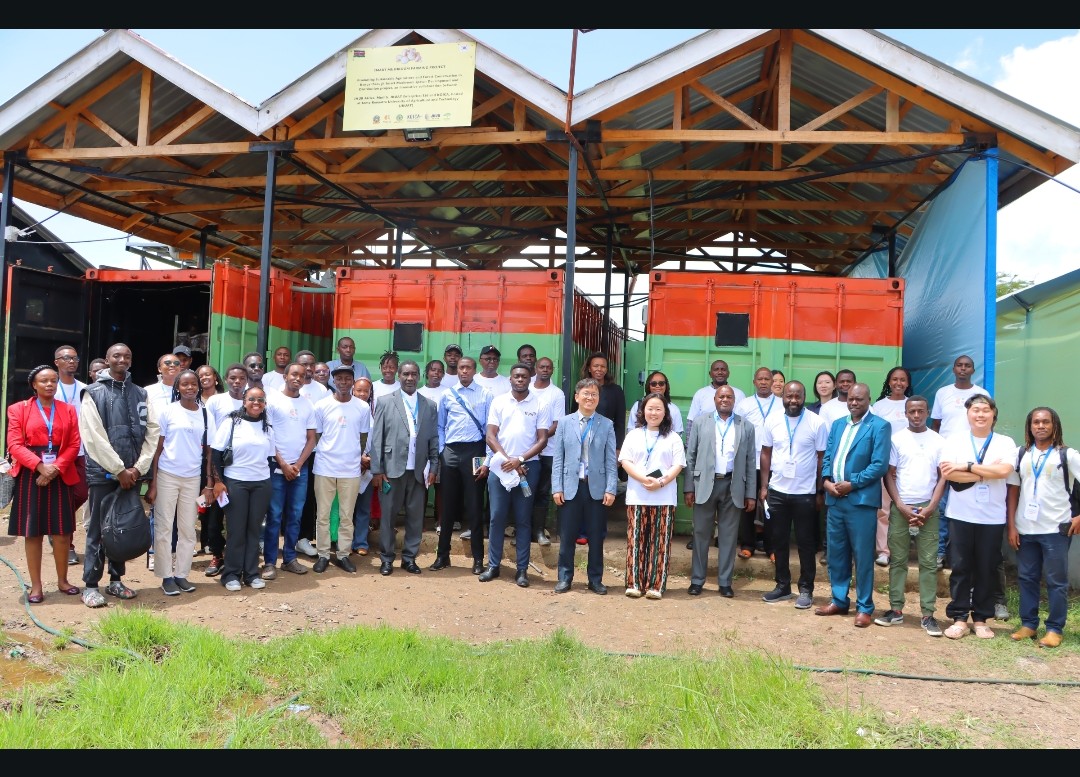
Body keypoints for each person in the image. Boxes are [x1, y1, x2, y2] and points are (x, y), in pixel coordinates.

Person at [79, 343, 160, 608]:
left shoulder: (140, 393)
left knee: (121, 528)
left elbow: (152, 432)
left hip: (132, 474)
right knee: (97, 528)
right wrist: (119, 469)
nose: (122, 359)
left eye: (127, 355)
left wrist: (138, 468)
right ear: (107, 359)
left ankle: (116, 580)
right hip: (103, 473)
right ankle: (91, 586)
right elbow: (93, 436)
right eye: (116, 355)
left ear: (131, 360)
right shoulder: (93, 393)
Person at [938, 394, 1016, 640]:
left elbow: (1004, 471)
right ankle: (960, 617)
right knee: (960, 567)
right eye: (975, 410)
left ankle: (981, 618)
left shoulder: (1005, 442)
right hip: (960, 514)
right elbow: (949, 474)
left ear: (993, 414)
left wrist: (968, 467)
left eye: (985, 410)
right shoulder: (955, 440)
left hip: (992, 517)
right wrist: (986, 472)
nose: (980, 414)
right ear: (968, 414)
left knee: (986, 568)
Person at [817, 382, 891, 627]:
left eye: (859, 399)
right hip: (835, 500)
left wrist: (852, 483)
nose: (854, 403)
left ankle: (864, 607)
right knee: (837, 554)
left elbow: (879, 465)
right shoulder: (838, 424)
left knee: (862, 556)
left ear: (869, 400)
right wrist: (826, 481)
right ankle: (839, 600)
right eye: (850, 399)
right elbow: (828, 456)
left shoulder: (879, 426)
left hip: (860, 501)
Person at [6, 365, 82, 603]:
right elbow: (14, 444)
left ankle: (63, 581)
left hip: (60, 471)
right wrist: (40, 466)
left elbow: (74, 444)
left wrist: (54, 469)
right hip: (30, 474)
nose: (49, 385)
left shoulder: (68, 410)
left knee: (62, 532)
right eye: (44, 381)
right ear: (34, 385)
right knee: (33, 532)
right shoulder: (18, 409)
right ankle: (36, 587)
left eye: (53, 381)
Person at [1007, 407, 1080, 648]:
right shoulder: (1021, 454)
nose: (1040, 426)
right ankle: (1028, 625)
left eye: (1046, 422)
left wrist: (1079, 516)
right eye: (1036, 422)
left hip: (1056, 529)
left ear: (1054, 425)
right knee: (1027, 578)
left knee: (1056, 581)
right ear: (1029, 426)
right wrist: (1011, 526)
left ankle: (1054, 629)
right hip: (1025, 528)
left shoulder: (1067, 455)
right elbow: (1013, 490)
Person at [877, 395, 947, 636]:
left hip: (928, 508)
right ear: (905, 413)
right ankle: (896, 610)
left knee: (928, 563)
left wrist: (931, 507)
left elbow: (943, 477)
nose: (916, 415)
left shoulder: (938, 440)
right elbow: (889, 474)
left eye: (920, 411)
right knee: (898, 561)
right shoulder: (896, 440)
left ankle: (928, 614)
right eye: (912, 411)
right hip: (901, 506)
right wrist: (900, 505)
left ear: (927, 412)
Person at [479, 363, 552, 587]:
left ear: (530, 379)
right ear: (510, 379)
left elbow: (542, 439)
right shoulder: (499, 401)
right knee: (496, 517)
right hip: (500, 467)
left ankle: (522, 570)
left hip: (528, 468)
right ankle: (493, 566)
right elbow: (490, 436)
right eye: (516, 376)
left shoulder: (540, 404)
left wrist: (519, 460)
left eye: (524, 376)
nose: (520, 379)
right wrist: (507, 460)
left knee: (523, 519)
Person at [758, 381, 828, 608]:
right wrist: (764, 486)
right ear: (783, 397)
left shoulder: (816, 422)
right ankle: (782, 586)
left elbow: (821, 458)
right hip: (777, 491)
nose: (793, 400)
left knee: (806, 543)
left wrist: (819, 491)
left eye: (798, 396)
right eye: (789, 396)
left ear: (804, 397)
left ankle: (806, 589)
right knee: (778, 541)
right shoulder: (772, 420)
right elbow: (766, 453)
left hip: (805, 494)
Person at [145, 369, 214, 596]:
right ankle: (166, 576)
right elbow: (157, 449)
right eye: (184, 384)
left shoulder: (205, 414)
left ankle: (181, 575)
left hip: (193, 478)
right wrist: (153, 483)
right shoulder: (168, 411)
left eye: (193, 384)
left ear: (199, 386)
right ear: (177, 387)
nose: (190, 387)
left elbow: (209, 452)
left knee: (187, 528)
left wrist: (209, 483)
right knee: (164, 527)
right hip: (167, 475)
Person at [684, 385, 756, 598]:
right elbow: (690, 456)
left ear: (734, 400)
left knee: (728, 536)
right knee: (700, 534)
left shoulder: (746, 426)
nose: (725, 399)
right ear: (715, 399)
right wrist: (689, 487)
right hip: (705, 484)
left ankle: (725, 582)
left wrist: (750, 493)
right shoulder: (700, 422)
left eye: (729, 396)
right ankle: (697, 580)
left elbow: (750, 461)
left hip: (733, 485)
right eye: (721, 396)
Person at [369, 360, 438, 576]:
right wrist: (377, 470)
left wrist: (434, 466)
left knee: (415, 518)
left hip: (418, 471)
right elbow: (377, 438)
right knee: (388, 517)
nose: (410, 378)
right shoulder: (385, 401)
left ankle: (409, 559)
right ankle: (387, 558)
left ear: (419, 377)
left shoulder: (429, 405)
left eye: (414, 374)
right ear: (399, 376)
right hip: (391, 470)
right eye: (406, 374)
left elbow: (433, 438)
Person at [551, 378, 617, 594]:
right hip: (570, 487)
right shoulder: (564, 423)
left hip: (596, 488)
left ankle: (595, 579)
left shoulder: (606, 424)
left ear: (598, 398)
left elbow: (610, 460)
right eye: (586, 393)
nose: (590, 397)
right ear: (577, 397)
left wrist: (611, 488)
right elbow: (558, 458)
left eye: (594, 394)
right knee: (567, 536)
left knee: (596, 537)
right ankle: (564, 578)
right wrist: (557, 487)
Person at [619, 392, 685, 600]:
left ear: (665, 413)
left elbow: (678, 465)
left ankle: (656, 585)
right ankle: (634, 583)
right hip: (637, 496)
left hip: (664, 497)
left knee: (660, 542)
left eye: (658, 409)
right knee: (636, 540)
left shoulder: (673, 437)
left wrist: (661, 482)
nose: (654, 413)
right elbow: (625, 461)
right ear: (643, 411)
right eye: (650, 408)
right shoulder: (634, 435)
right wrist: (643, 479)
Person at [210, 386, 275, 591]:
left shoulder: (267, 426)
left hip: (261, 484)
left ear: (265, 404)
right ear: (244, 401)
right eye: (252, 399)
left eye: (261, 400)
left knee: (254, 530)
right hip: (236, 482)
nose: (256, 403)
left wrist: (263, 478)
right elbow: (215, 453)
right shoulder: (231, 423)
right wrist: (218, 481)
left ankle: (251, 574)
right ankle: (231, 574)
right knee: (236, 531)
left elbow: (270, 457)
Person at [432, 356, 493, 573]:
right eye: (461, 368)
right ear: (457, 370)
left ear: (474, 371)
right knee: (448, 506)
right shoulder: (447, 394)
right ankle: (442, 556)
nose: (464, 371)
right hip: (451, 452)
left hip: (476, 452)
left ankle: (478, 559)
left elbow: (490, 430)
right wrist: (442, 451)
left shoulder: (485, 394)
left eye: (468, 368)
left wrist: (488, 459)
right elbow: (440, 426)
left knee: (475, 506)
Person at [931, 354, 990, 574]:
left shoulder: (982, 394)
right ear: (953, 369)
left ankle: (960, 555)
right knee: (942, 505)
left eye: (967, 366)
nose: (963, 369)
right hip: (947, 458)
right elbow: (936, 425)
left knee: (966, 506)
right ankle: (939, 552)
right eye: (959, 365)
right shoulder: (943, 393)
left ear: (973, 370)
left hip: (971, 460)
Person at [311, 366, 372, 574]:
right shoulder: (321, 405)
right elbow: (317, 436)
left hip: (350, 469)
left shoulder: (362, 407)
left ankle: (343, 554)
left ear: (353, 382)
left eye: (347, 379)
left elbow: (363, 437)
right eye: (339, 379)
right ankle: (323, 554)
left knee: (347, 514)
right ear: (333, 381)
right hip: (325, 467)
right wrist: (331, 451)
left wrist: (353, 456)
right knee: (323, 514)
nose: (343, 382)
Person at [260, 362, 317, 579]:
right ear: (285, 376)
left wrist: (298, 465)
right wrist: (283, 464)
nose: (297, 378)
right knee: (274, 515)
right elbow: (268, 435)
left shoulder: (308, 405)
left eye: (302, 375)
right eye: (294, 374)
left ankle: (290, 558)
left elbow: (311, 439)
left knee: (295, 515)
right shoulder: (273, 401)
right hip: (277, 467)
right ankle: (269, 562)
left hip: (299, 469)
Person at [734, 366, 785, 559]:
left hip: (774, 463)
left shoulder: (781, 404)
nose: (764, 382)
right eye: (760, 379)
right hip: (750, 462)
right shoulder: (744, 405)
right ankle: (748, 545)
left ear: (773, 382)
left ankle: (772, 548)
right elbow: (737, 432)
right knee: (748, 505)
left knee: (772, 506)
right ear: (754, 382)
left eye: (767, 379)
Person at [201, 363, 247, 575]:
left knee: (239, 515)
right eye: (233, 378)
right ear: (226, 380)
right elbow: (209, 437)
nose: (237, 382)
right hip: (217, 461)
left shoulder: (251, 400)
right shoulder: (216, 401)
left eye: (241, 378)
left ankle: (238, 556)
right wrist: (211, 478)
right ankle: (217, 554)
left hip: (243, 464)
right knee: (214, 516)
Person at [871, 366, 914, 568]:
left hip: (908, 466)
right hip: (886, 466)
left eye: (903, 379)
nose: (898, 383)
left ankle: (901, 551)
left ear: (908, 383)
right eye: (895, 379)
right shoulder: (879, 406)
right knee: (884, 510)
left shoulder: (913, 404)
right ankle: (883, 551)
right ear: (889, 382)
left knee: (906, 509)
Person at [52, 344, 88, 566]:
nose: (72, 361)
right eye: (66, 358)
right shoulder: (50, 386)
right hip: (56, 453)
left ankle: (55, 526)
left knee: (81, 493)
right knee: (61, 498)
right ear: (57, 362)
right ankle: (68, 545)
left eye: (75, 358)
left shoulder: (85, 388)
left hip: (81, 451)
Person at [529, 356, 564, 546]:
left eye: (548, 367)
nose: (545, 370)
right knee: (525, 491)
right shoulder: (527, 389)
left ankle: (539, 531)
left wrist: (539, 440)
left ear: (552, 370)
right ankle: (523, 531)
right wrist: (531, 442)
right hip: (526, 451)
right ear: (536, 368)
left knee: (542, 491)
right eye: (541, 367)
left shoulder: (556, 394)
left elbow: (557, 423)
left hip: (548, 451)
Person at [349, 376, 377, 557]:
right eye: (358, 390)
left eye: (365, 391)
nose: (362, 394)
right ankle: (344, 542)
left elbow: (379, 441)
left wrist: (369, 460)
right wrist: (357, 458)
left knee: (363, 507)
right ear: (353, 390)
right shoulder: (346, 410)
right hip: (348, 466)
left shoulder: (374, 415)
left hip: (367, 467)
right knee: (346, 508)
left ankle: (360, 542)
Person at [627, 371, 685, 439]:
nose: (657, 386)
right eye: (653, 384)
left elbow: (678, 434)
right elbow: (631, 430)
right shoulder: (638, 406)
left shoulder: (674, 409)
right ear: (648, 386)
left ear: (666, 386)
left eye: (661, 383)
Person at [687, 359, 746, 424]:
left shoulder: (739, 394)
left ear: (728, 374)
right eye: (716, 369)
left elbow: (744, 421)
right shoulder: (700, 394)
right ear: (710, 374)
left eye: (723, 369)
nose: (720, 372)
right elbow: (691, 421)